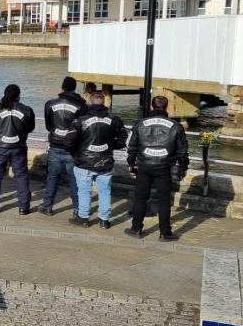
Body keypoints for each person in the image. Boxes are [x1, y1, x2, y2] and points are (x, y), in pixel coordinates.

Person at [125, 96, 189, 242]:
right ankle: (165, 233)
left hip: (144, 166)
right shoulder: (176, 126)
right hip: (164, 167)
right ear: (166, 107)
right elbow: (182, 151)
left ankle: (136, 229)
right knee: (164, 201)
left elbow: (132, 147)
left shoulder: (140, 124)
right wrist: (182, 167)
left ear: (152, 107)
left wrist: (131, 164)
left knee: (140, 198)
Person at [67, 93, 126, 229]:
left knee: (84, 190)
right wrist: (112, 146)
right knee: (105, 190)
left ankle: (84, 217)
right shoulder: (114, 120)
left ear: (90, 102)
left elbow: (69, 142)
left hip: (84, 162)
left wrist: (77, 154)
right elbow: (123, 138)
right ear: (104, 103)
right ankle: (104, 220)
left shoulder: (79, 121)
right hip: (105, 161)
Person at [0, 84, 37, 214]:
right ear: (19, 95)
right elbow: (30, 128)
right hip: (19, 147)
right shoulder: (27, 110)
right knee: (21, 176)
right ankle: (24, 207)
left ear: (5, 93)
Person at [42, 76, 87, 215]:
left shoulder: (50, 104)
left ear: (62, 87)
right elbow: (82, 127)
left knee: (52, 177)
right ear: (74, 88)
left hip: (55, 144)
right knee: (74, 179)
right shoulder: (81, 106)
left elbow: (48, 125)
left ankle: (47, 206)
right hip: (72, 148)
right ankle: (78, 208)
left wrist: (57, 133)